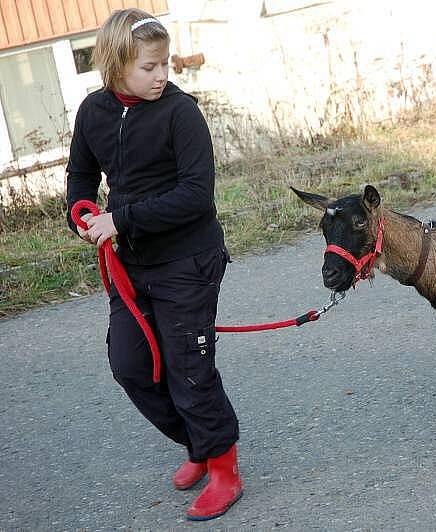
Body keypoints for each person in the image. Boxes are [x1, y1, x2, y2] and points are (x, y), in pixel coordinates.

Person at [66, 8, 242, 521]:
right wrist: (81, 213)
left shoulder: (179, 112)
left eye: (164, 64)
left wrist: (120, 218)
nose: (162, 75)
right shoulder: (93, 112)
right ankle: (199, 445)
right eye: (150, 66)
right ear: (116, 63)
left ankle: (224, 470)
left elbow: (195, 196)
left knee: (189, 369)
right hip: (130, 266)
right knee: (131, 365)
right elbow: (80, 176)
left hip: (188, 258)